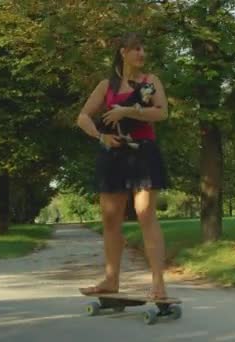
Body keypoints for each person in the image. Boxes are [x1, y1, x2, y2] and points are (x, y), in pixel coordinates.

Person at [75, 32, 169, 299]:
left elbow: (161, 112)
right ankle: (110, 280)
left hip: (143, 153)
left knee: (144, 213)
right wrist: (100, 135)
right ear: (122, 53)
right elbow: (82, 117)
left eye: (143, 49)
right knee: (110, 218)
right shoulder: (107, 86)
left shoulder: (151, 82)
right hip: (113, 155)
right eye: (136, 49)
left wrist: (127, 111)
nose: (142, 53)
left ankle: (158, 284)